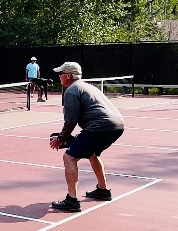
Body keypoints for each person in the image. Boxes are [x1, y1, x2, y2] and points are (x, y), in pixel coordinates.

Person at [49, 62, 125, 213]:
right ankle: (103, 190)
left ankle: (71, 200)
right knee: (92, 154)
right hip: (117, 125)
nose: (59, 76)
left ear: (68, 75)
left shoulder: (71, 91)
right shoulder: (88, 86)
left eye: (61, 73)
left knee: (69, 157)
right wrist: (71, 138)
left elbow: (71, 121)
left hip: (100, 126)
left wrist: (61, 138)